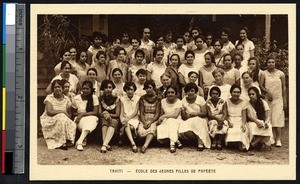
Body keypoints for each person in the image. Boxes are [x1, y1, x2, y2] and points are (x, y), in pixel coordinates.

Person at [40, 79, 76, 150]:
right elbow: (49, 112)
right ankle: (62, 142)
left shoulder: (66, 99)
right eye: (55, 87)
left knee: (68, 121)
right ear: (53, 89)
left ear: (62, 88)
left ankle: (67, 140)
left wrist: (66, 115)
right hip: (49, 118)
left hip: (63, 118)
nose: (57, 89)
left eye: (59, 87)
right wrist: (63, 112)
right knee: (61, 116)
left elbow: (69, 114)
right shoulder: (49, 98)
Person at [260, 56, 287, 147]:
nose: (271, 64)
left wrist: (284, 100)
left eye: (272, 62)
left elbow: (284, 87)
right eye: (269, 62)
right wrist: (267, 93)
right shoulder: (264, 73)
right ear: (266, 63)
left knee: (277, 118)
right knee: (269, 118)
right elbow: (261, 86)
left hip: (278, 99)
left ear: (275, 63)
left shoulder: (281, 74)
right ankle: (270, 138)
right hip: (268, 99)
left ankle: (278, 139)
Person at [179, 83, 211, 151]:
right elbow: (184, 116)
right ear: (186, 92)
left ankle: (200, 142)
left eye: (192, 91)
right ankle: (198, 139)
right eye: (188, 91)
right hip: (189, 120)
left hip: (200, 119)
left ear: (195, 91)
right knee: (183, 130)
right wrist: (189, 116)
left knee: (197, 121)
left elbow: (204, 113)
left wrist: (196, 113)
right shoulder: (183, 101)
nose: (190, 93)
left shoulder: (200, 99)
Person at [72, 81, 99, 151]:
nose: (85, 90)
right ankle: (81, 140)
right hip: (79, 119)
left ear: (91, 90)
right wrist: (79, 115)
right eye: (83, 89)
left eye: (87, 89)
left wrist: (82, 114)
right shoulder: (77, 98)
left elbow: (95, 112)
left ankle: (80, 141)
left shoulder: (94, 98)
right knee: (86, 122)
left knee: (91, 120)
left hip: (91, 117)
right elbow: (73, 113)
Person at [157, 85, 182, 153]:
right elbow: (161, 114)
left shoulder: (179, 102)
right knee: (165, 124)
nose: (170, 94)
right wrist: (161, 118)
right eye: (168, 92)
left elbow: (175, 115)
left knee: (171, 121)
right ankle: (176, 140)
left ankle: (172, 144)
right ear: (166, 93)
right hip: (166, 121)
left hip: (177, 121)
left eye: (172, 92)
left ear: (176, 93)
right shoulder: (163, 101)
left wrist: (164, 116)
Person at [137, 80, 161, 153]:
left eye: (150, 87)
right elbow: (141, 113)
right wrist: (144, 122)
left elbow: (157, 113)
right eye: (146, 88)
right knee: (140, 133)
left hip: (153, 119)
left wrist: (151, 122)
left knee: (152, 130)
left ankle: (145, 146)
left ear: (153, 88)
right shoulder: (142, 98)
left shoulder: (158, 99)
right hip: (144, 118)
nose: (148, 90)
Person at [225, 84, 250, 151]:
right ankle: (232, 143)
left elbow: (244, 116)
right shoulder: (227, 101)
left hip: (240, 120)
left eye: (238, 92)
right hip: (230, 119)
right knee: (231, 130)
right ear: (231, 92)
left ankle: (240, 144)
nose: (236, 94)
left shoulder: (243, 102)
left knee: (241, 130)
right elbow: (225, 115)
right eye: (234, 92)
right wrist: (228, 122)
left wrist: (243, 124)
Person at [99, 80, 121, 153]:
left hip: (114, 118)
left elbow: (117, 114)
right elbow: (99, 112)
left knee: (113, 121)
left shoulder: (117, 99)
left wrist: (109, 114)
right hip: (103, 117)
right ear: (103, 89)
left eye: (110, 87)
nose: (108, 89)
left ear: (112, 88)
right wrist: (104, 114)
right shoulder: (101, 98)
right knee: (104, 121)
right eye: (106, 88)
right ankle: (106, 144)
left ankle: (104, 145)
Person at [119, 82, 139, 153]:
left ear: (134, 90)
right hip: (125, 118)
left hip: (134, 118)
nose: (129, 91)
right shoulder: (122, 99)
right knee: (127, 125)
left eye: (131, 89)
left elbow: (135, 112)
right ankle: (133, 143)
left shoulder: (137, 98)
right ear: (125, 90)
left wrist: (128, 119)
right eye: (128, 89)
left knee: (131, 127)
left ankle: (122, 134)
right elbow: (121, 113)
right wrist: (122, 120)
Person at [206, 86, 228, 150]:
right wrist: (218, 120)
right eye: (213, 94)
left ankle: (219, 141)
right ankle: (214, 140)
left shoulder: (223, 102)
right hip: (212, 118)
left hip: (221, 118)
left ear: (219, 94)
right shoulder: (207, 102)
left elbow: (225, 113)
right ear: (210, 94)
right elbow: (209, 115)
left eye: (216, 94)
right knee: (213, 123)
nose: (215, 95)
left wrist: (222, 120)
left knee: (225, 123)